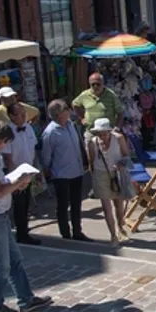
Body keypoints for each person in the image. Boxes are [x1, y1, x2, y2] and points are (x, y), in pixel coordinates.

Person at [0, 122, 53, 312]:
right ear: (2, 140)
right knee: (0, 264)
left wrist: (13, 183)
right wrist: (19, 182)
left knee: (14, 260)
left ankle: (26, 299)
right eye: (6, 144)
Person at [40, 99, 90, 242]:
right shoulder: (50, 132)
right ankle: (65, 233)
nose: (69, 111)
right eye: (66, 109)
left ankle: (77, 231)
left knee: (76, 203)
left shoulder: (71, 125)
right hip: (61, 174)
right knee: (63, 205)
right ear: (59, 114)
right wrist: (48, 170)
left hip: (76, 171)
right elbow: (46, 155)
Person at [86, 117, 133, 246]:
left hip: (116, 174)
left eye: (105, 134)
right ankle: (113, 235)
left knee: (118, 205)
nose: (102, 137)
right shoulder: (92, 142)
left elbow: (126, 156)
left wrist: (121, 166)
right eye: (99, 134)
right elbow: (91, 162)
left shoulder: (118, 138)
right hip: (100, 176)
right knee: (106, 208)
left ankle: (121, 227)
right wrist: (94, 179)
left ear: (109, 131)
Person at [0, 102, 40, 245]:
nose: (24, 117)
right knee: (18, 205)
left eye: (24, 114)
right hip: (16, 174)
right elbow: (8, 157)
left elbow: (33, 149)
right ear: (11, 116)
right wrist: (14, 180)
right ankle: (21, 234)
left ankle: (25, 231)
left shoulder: (28, 128)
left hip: (28, 172)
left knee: (27, 203)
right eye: (20, 114)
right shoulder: (8, 132)